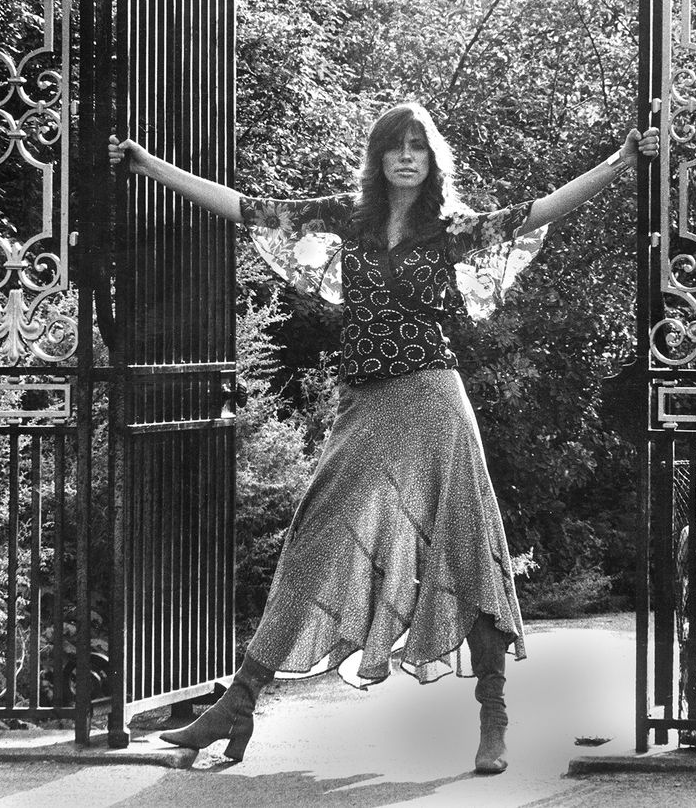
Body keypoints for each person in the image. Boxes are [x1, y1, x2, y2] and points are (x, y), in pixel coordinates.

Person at [108, 103, 658, 774]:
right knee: (311, 541)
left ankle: (494, 717)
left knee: (465, 546)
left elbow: (543, 208)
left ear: (431, 161)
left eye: (418, 148)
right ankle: (238, 703)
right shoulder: (348, 218)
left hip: (433, 398)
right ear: (378, 157)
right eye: (395, 146)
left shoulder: (452, 229)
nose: (406, 157)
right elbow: (245, 205)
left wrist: (621, 161)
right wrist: (147, 164)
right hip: (367, 403)